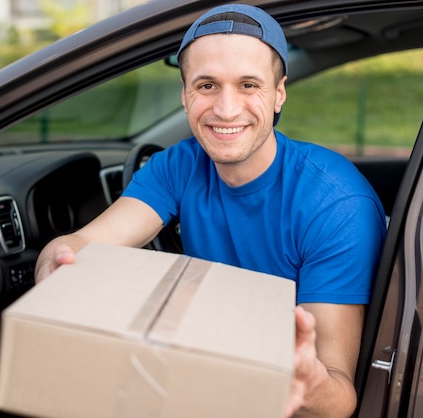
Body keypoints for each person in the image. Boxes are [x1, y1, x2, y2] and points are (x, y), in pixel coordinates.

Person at [35, 4, 386, 417]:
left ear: (279, 94)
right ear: (185, 96)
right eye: (207, 86)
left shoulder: (335, 205)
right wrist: (53, 264)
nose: (226, 109)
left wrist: (305, 381)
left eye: (249, 85)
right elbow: (83, 244)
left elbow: (340, 399)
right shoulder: (177, 166)